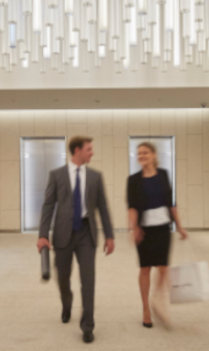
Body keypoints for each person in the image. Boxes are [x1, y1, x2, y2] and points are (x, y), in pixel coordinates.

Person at [37, 136, 115, 344]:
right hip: (63, 234)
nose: (92, 153)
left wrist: (109, 235)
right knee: (62, 277)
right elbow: (48, 206)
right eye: (89, 149)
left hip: (86, 235)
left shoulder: (95, 177)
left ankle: (87, 325)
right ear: (77, 150)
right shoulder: (57, 175)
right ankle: (67, 301)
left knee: (88, 281)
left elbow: (103, 207)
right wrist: (43, 235)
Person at [127, 142, 188, 328]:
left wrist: (179, 226)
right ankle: (146, 309)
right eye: (139, 154)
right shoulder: (133, 180)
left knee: (163, 268)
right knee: (145, 268)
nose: (141, 156)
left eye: (145, 152)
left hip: (163, 228)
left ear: (154, 154)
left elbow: (171, 202)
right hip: (144, 230)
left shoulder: (163, 175)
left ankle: (156, 299)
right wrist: (133, 228)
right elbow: (132, 207)